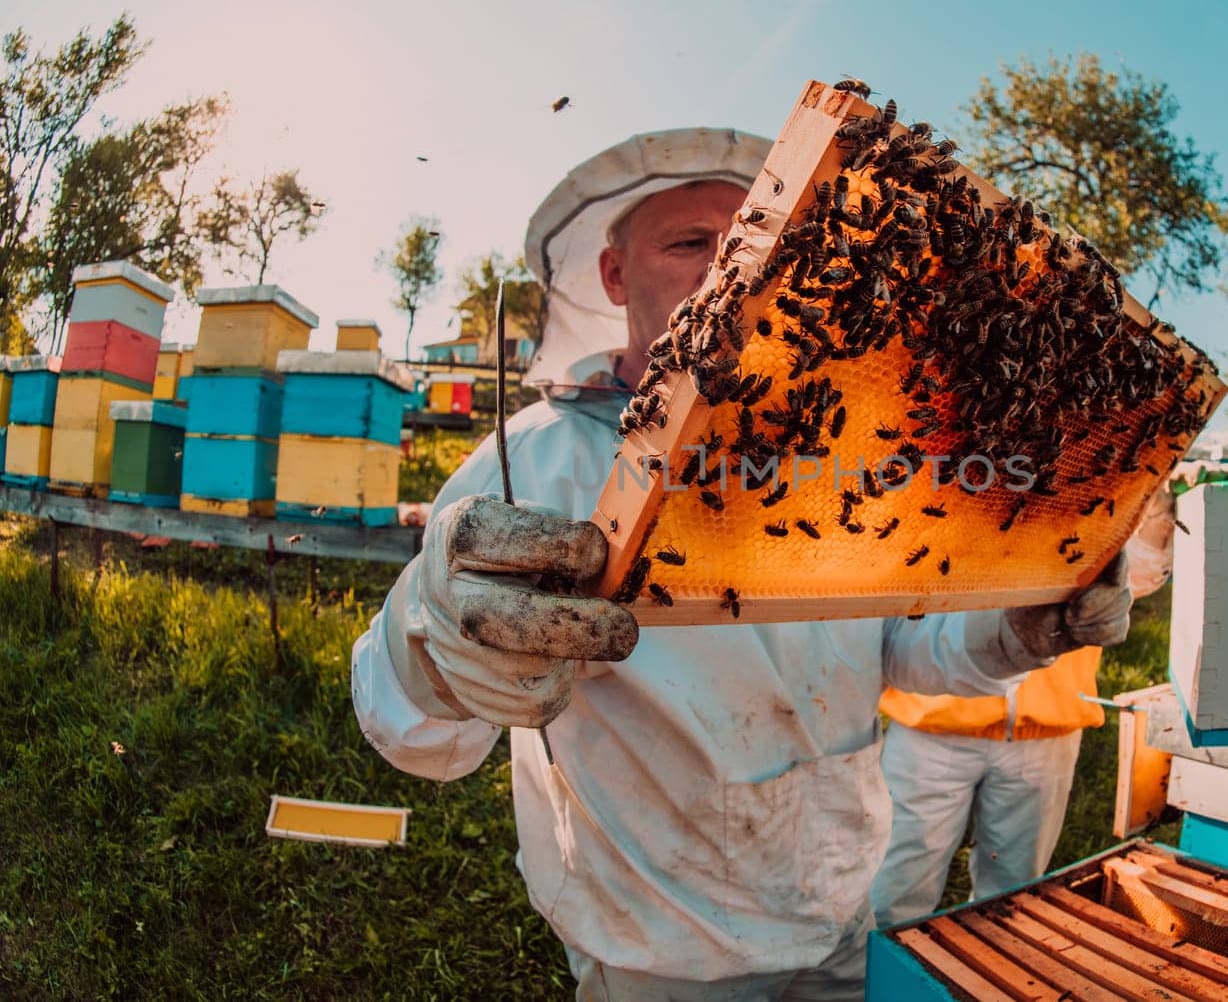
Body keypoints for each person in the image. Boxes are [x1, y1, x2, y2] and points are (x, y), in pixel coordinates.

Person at [351, 127, 1135, 1000]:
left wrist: (1020, 627)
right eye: (690, 243)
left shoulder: (845, 457)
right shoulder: (538, 458)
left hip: (835, 911)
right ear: (615, 276)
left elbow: (905, 651)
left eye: (753, 246)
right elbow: (408, 729)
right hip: (654, 950)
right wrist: (432, 639)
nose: (731, 271)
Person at [870, 490, 1177, 927]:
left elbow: (1140, 574)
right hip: (932, 722)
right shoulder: (943, 476)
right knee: (896, 885)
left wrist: (1153, 509)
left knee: (1011, 895)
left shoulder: (1093, 480)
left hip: (1045, 731)